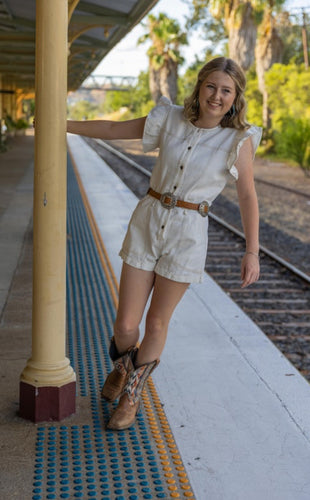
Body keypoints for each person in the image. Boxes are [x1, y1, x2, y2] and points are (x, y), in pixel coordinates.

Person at [67, 57, 262, 431]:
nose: (216, 96)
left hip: (188, 234)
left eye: (226, 90)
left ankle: (131, 395)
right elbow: (112, 127)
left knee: (156, 325)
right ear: (199, 86)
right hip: (149, 220)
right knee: (126, 326)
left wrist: (251, 250)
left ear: (236, 97)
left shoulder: (239, 140)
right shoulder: (169, 118)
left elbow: (248, 196)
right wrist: (63, 125)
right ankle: (123, 366)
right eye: (211, 87)